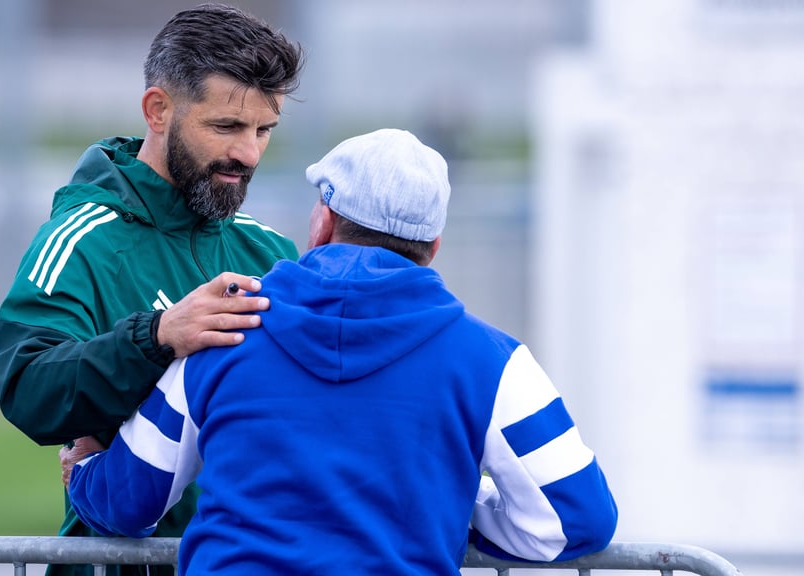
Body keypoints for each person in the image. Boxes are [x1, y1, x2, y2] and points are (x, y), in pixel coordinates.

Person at [61, 129, 619, 574]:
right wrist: (448, 508)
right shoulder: (492, 361)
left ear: (323, 221)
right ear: (433, 246)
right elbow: (575, 517)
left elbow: (129, 499)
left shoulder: (222, 329)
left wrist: (84, 468)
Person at [0, 4, 304, 576]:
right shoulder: (84, 239)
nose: (250, 153)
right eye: (227, 127)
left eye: (264, 130)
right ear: (158, 111)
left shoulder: (272, 254)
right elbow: (27, 386)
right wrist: (158, 338)